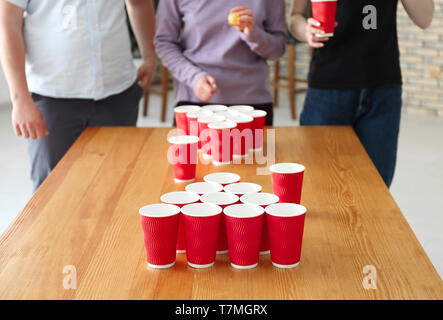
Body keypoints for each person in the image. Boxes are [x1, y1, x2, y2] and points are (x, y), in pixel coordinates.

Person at [0, 0, 157, 191]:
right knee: (53, 193)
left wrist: (150, 55)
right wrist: (20, 98)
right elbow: (8, 22)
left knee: (115, 188)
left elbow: (139, 3)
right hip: (52, 99)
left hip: (117, 94)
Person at [289, 0, 434, 187]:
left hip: (383, 89)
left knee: (376, 191)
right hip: (328, 89)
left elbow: (425, 18)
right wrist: (306, 30)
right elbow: (295, 17)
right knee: (320, 186)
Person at [154, 0, 287, 126]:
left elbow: (278, 49)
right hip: (195, 103)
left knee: (259, 151)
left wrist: (253, 34)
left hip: (252, 105)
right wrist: (194, 78)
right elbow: (164, 43)